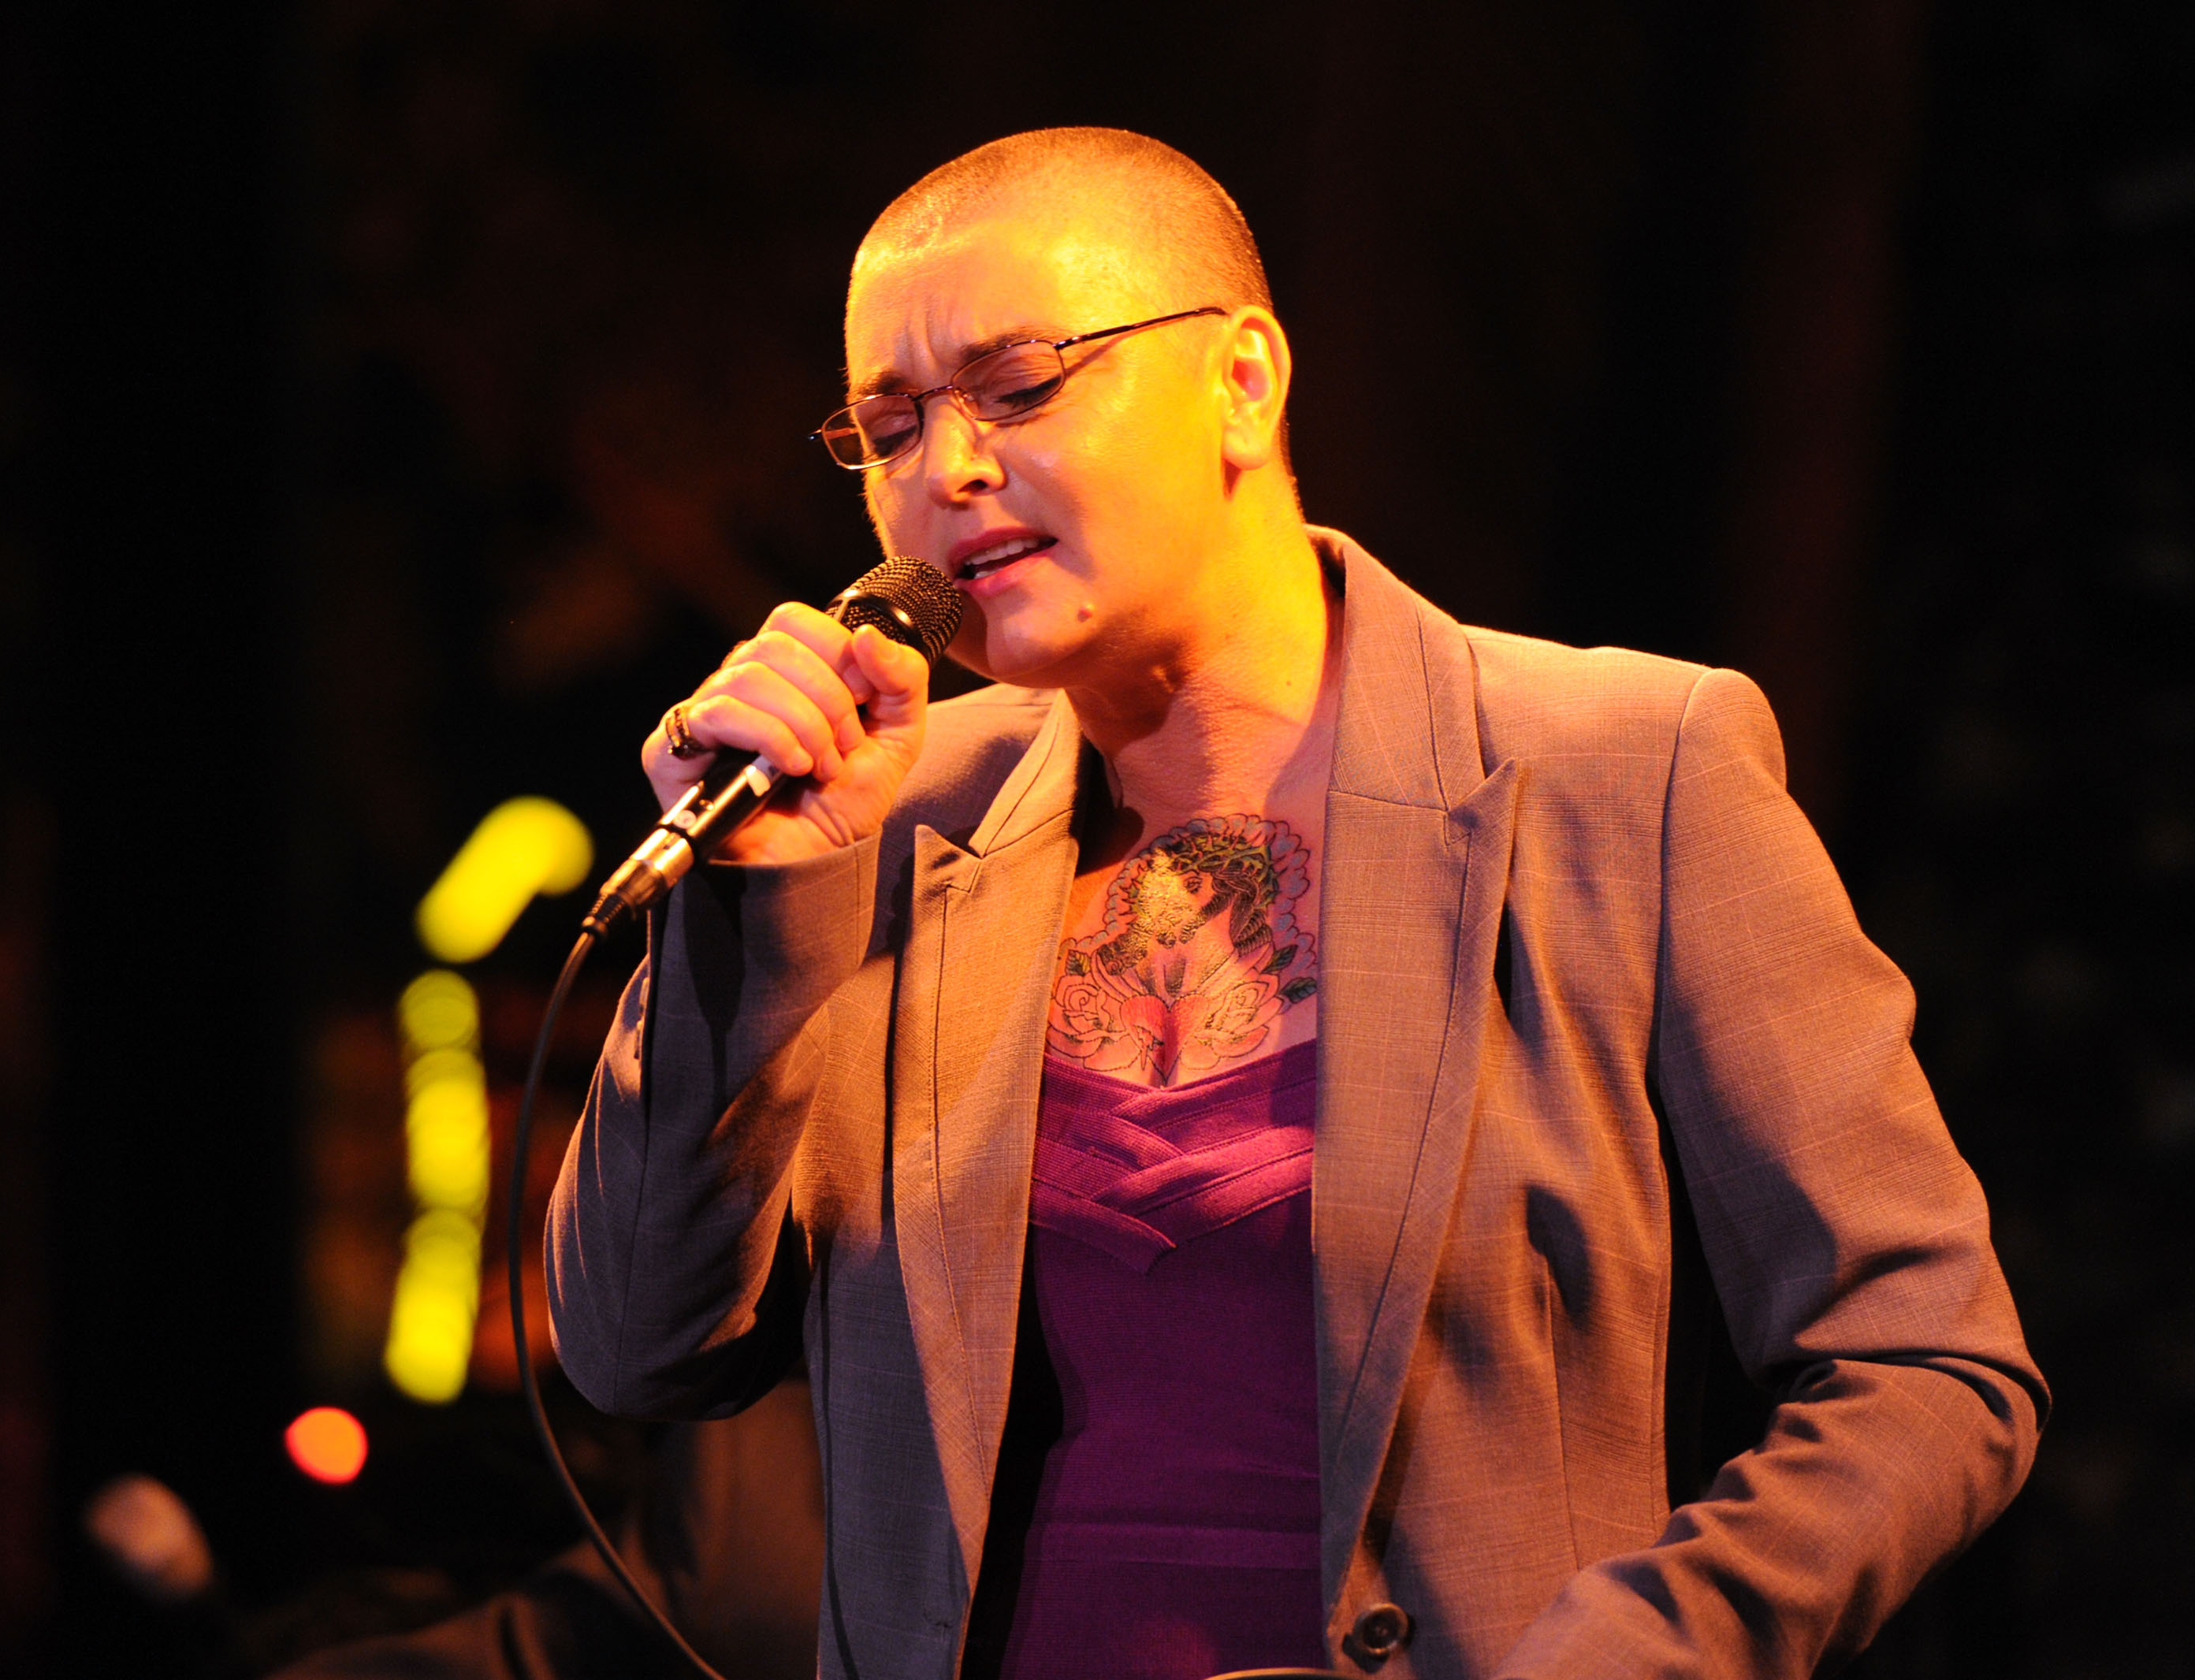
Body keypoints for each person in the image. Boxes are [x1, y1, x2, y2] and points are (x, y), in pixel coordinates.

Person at [547, 128, 2045, 1680]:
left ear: (1245, 381)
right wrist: (752, 906)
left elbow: (1927, 1361)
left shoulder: (1621, 771)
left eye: (1020, 384)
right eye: (891, 423)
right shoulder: (888, 822)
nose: (952, 469)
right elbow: (639, 1347)